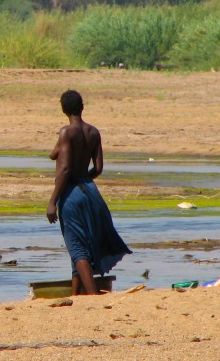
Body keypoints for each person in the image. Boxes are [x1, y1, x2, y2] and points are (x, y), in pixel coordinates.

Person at [47, 90, 132, 295]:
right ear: (82, 107)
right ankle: (76, 295)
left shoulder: (66, 132)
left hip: (71, 193)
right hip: (90, 191)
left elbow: (65, 168)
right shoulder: (93, 132)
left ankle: (93, 296)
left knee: (76, 246)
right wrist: (84, 180)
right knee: (80, 244)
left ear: (63, 109)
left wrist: (52, 202)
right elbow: (98, 168)